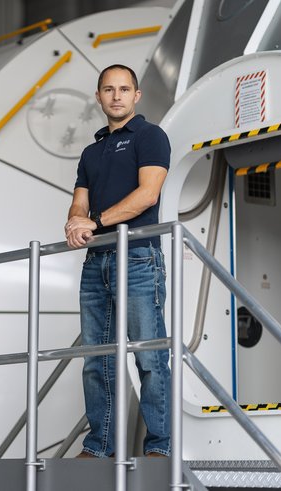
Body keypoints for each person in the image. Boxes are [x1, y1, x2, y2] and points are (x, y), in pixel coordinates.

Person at [64, 64, 171, 458]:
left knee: (149, 356)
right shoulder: (92, 151)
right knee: (96, 361)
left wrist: (93, 221)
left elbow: (147, 196)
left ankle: (161, 446)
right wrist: (75, 221)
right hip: (97, 263)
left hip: (139, 259)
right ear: (99, 97)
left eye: (124, 89)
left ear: (136, 95)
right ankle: (99, 446)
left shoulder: (150, 136)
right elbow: (80, 198)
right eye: (108, 90)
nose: (116, 96)